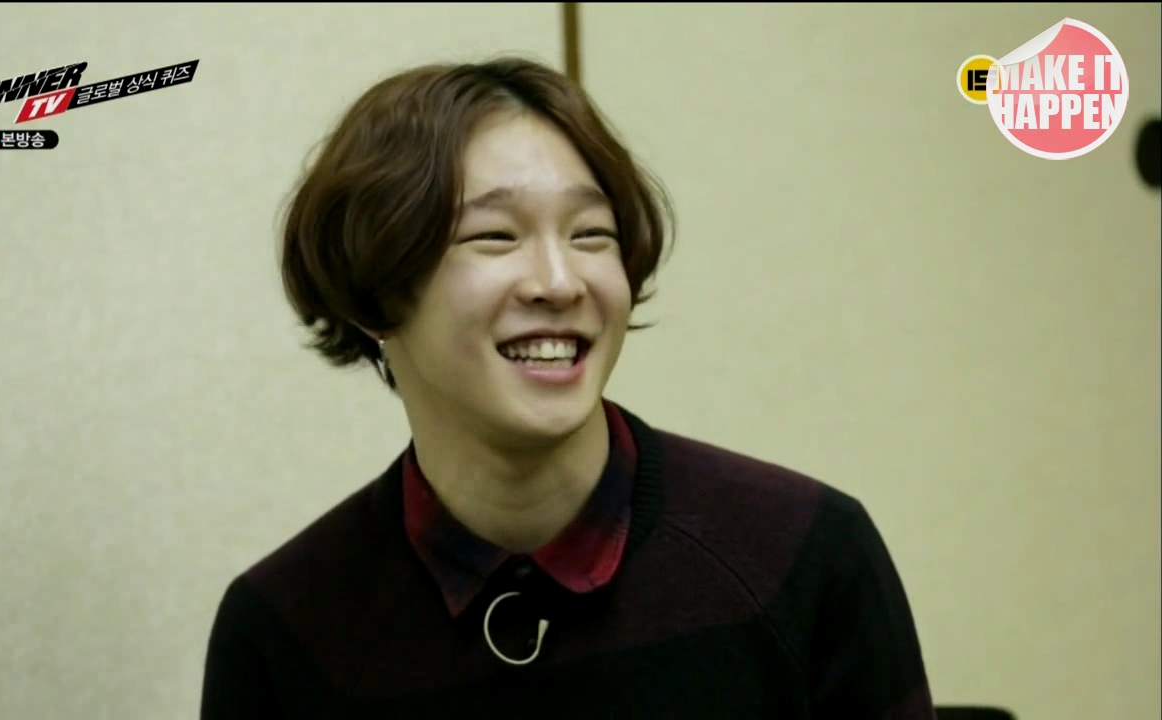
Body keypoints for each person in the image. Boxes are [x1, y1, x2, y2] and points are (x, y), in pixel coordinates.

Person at [200, 55, 936, 719]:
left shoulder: (801, 555)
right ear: (373, 295)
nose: (559, 282)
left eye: (591, 235)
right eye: (494, 236)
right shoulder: (285, 629)